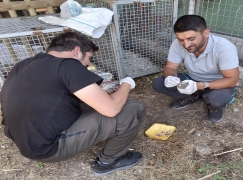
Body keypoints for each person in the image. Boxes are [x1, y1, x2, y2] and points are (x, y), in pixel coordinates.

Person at [0, 31, 146, 176]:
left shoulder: (22, 65)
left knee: (92, 104)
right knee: (133, 109)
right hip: (48, 148)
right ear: (76, 51)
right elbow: (111, 109)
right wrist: (127, 84)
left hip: (26, 141)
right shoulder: (68, 65)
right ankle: (108, 162)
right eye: (89, 58)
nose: (88, 64)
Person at [152, 15, 239, 123]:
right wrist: (170, 77)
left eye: (191, 39)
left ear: (206, 33)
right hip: (193, 79)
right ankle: (195, 94)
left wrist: (201, 85)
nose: (186, 44)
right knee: (159, 83)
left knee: (216, 99)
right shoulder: (177, 44)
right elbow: (170, 67)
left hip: (218, 83)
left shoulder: (224, 47)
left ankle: (212, 104)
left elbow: (232, 79)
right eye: (181, 40)